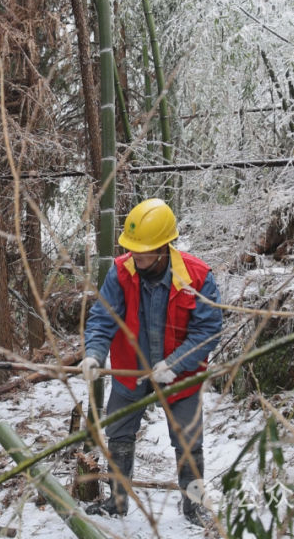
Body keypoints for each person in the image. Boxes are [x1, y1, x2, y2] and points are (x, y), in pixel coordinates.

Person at [82, 198, 223, 527]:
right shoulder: (121, 272)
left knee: (189, 440)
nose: (137, 256)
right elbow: (103, 318)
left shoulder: (197, 276)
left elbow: (207, 331)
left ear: (164, 246)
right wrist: (94, 353)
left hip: (180, 376)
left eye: (144, 250)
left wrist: (175, 364)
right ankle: (117, 502)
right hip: (130, 372)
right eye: (133, 249)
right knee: (118, 432)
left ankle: (194, 505)